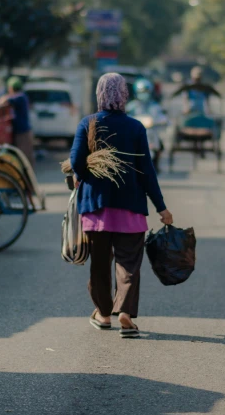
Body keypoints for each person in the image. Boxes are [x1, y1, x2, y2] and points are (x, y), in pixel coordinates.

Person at [70, 72, 173, 337]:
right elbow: (146, 171)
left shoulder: (88, 123)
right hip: (130, 210)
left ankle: (104, 315)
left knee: (100, 264)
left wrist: (84, 176)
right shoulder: (136, 127)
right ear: (125, 95)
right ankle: (125, 313)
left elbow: (76, 163)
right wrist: (161, 208)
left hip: (96, 209)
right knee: (128, 264)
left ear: (99, 94)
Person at [1, 77, 33, 165]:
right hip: (21, 130)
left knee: (23, 156)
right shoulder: (21, 96)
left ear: (11, 88)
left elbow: (5, 100)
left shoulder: (20, 97)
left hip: (22, 132)